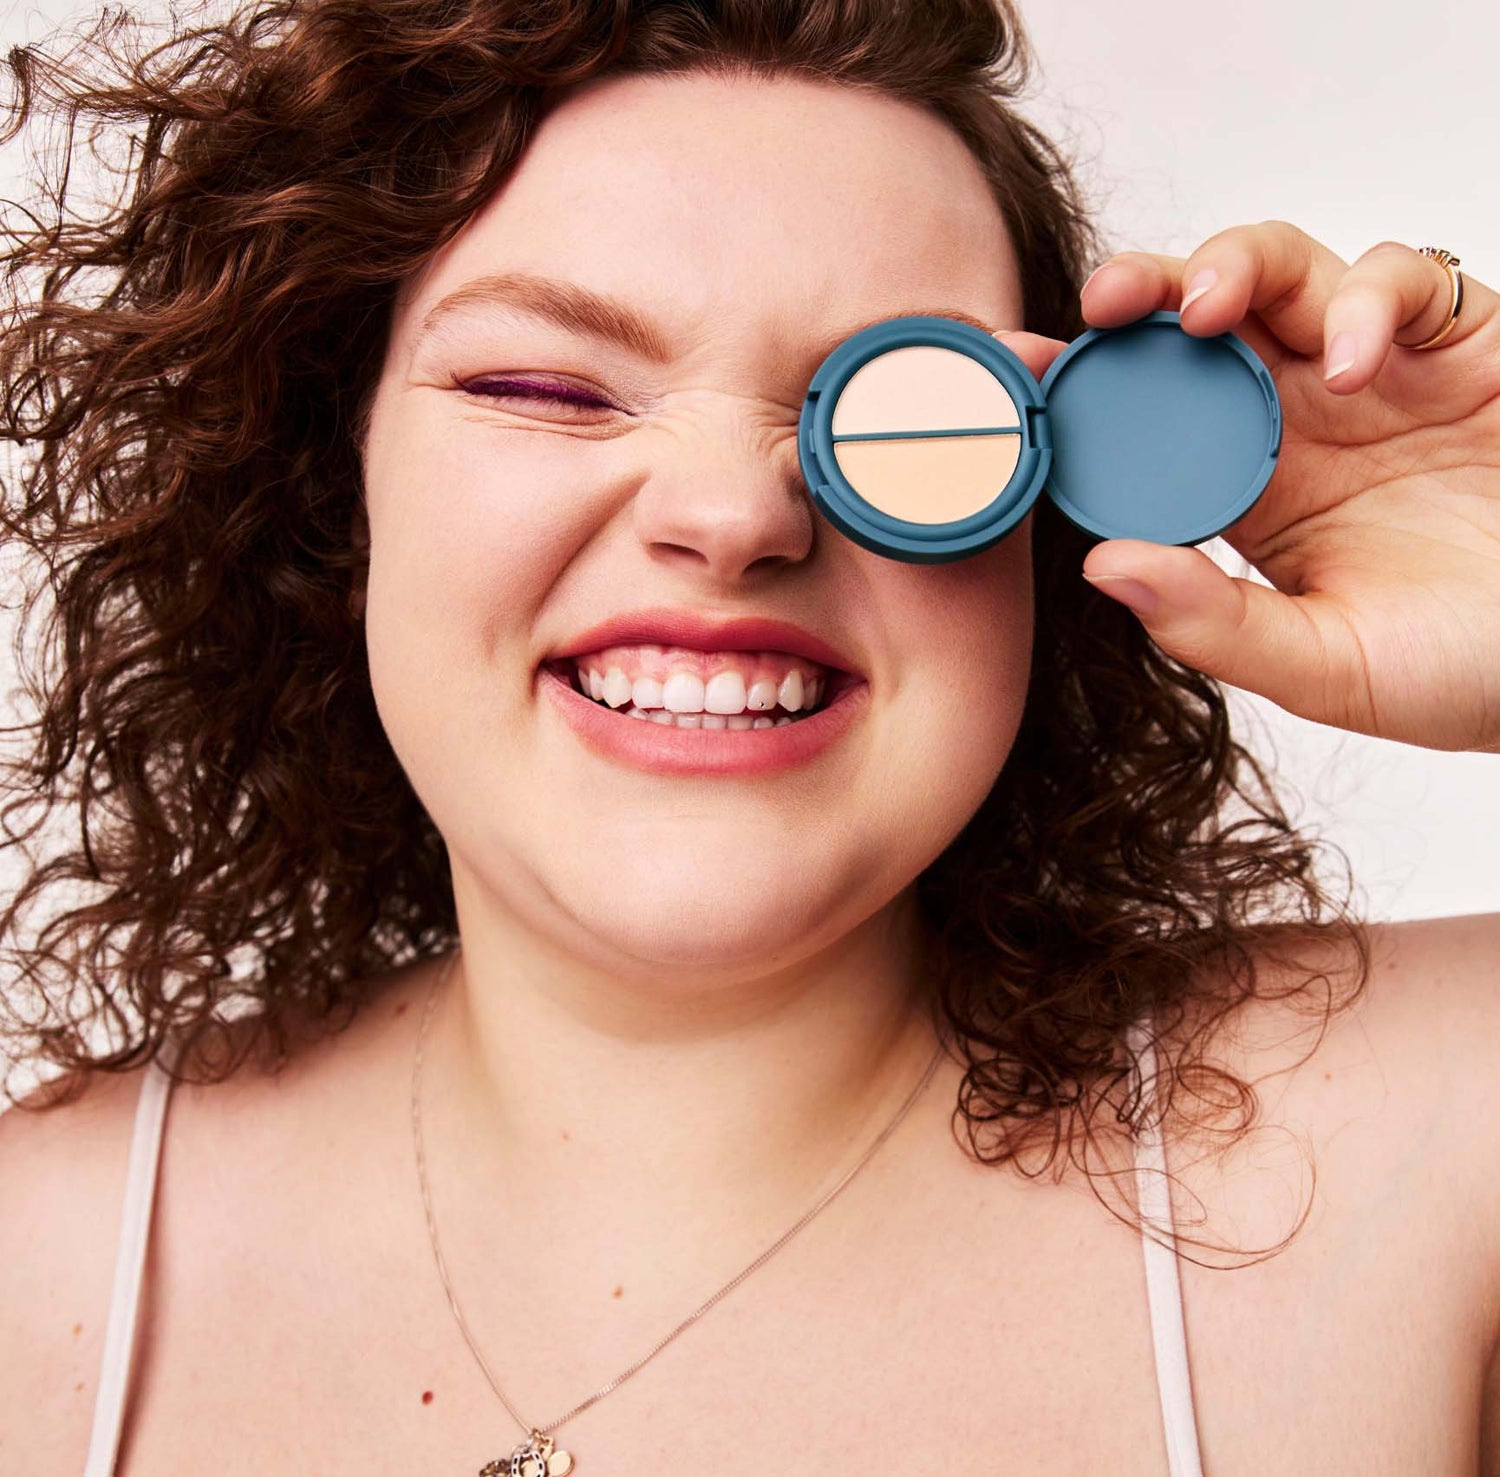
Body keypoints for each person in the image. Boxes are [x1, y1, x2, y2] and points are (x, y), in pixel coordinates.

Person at [0, 0, 1495, 1471]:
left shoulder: (1429, 1150)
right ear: (336, 488)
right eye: (546, 387)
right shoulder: (39, 1266)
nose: (733, 517)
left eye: (913, 417)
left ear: (1051, 515)